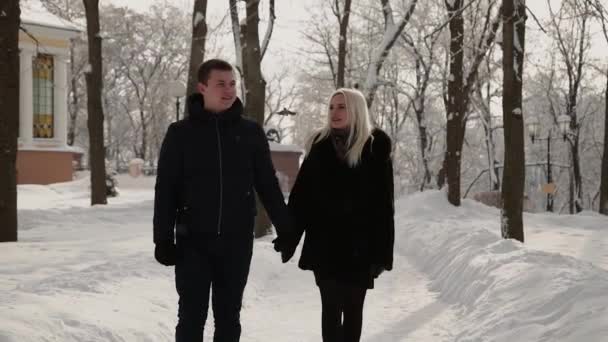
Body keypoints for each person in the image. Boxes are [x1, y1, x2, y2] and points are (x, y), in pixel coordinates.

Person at [153, 58, 291, 342]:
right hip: (193, 242)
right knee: (191, 317)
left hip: (236, 243)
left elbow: (267, 184)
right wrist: (163, 239)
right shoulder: (180, 134)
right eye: (221, 84)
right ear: (202, 87)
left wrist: (286, 230)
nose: (229, 90)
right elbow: (165, 189)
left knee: (229, 318)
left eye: (232, 84)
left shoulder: (251, 133)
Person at [274, 88, 395, 342]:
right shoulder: (319, 147)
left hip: (360, 248)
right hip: (324, 245)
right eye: (331, 107)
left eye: (341, 107)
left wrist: (382, 253)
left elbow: (384, 207)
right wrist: (289, 237)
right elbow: (301, 200)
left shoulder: (376, 148)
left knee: (352, 310)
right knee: (330, 309)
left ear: (356, 110)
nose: (334, 113)